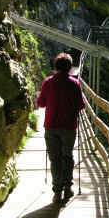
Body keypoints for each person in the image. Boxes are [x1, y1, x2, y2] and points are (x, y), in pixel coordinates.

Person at [37, 52, 85, 204]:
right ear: (70, 67)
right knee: (67, 156)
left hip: (51, 125)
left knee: (54, 159)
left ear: (56, 66)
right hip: (69, 127)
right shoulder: (75, 83)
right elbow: (81, 105)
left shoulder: (48, 82)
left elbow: (41, 104)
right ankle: (68, 188)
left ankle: (57, 191)